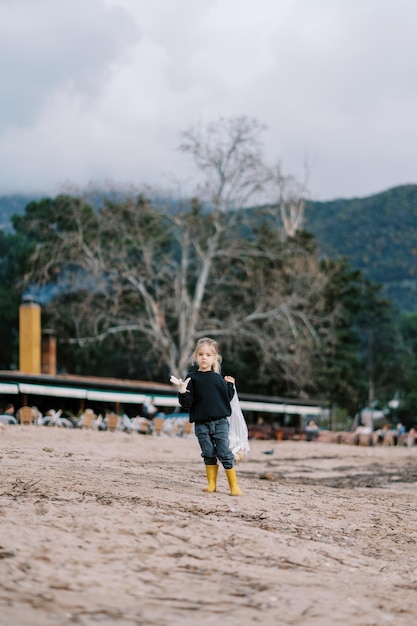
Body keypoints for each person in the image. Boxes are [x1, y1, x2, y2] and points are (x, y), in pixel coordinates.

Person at [170, 337, 242, 496]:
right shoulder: (192, 378)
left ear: (214, 358)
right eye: (201, 354)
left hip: (220, 423)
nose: (204, 357)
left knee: (224, 452)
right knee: (208, 453)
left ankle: (234, 486)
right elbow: (187, 403)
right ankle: (211, 484)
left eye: (208, 355)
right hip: (201, 425)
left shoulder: (218, 378)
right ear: (196, 357)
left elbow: (226, 398)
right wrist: (182, 391)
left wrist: (230, 385)